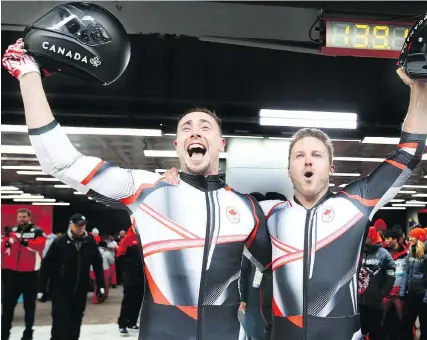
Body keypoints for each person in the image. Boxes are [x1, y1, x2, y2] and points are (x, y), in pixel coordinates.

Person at [1, 39, 271, 340]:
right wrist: (28, 76)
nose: (195, 131)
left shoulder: (247, 208)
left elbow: (279, 268)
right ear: (178, 145)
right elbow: (60, 162)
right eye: (186, 128)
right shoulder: (146, 190)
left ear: (221, 145)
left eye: (205, 127)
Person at [163, 68, 427, 339]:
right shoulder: (263, 214)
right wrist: (176, 183)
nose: (309, 160)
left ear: (331, 168)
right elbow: (204, 208)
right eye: (300, 155)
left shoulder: (356, 204)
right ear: (289, 169)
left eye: (317, 155)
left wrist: (420, 87)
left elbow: (408, 154)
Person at [37, 214, 106, 340]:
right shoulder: (60, 242)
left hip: (80, 289)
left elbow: (97, 263)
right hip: (60, 290)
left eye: (83, 225)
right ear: (70, 225)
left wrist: (101, 285)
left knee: (75, 322)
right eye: (78, 225)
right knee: (60, 323)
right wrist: (42, 288)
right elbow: (46, 265)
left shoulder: (89, 241)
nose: (81, 227)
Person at [1, 208, 46, 340]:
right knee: (8, 305)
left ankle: (28, 332)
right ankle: (4, 333)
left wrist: (24, 242)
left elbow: (40, 245)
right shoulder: (12, 231)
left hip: (30, 274)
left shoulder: (36, 231)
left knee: (29, 306)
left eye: (24, 217)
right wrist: (7, 243)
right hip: (12, 273)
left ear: (29, 217)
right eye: (19, 217)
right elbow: (3, 247)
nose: (21, 219)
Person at [399, 227, 427, 340]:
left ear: (419, 238)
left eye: (412, 237)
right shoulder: (410, 255)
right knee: (405, 325)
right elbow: (405, 274)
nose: (409, 238)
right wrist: (402, 292)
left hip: (424, 296)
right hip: (410, 295)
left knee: (426, 328)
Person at [358, 227, 396, 339]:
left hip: (375, 302)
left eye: (367, 237)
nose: (364, 239)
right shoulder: (359, 252)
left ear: (373, 237)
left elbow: (391, 276)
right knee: (360, 333)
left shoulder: (384, 254)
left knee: (376, 332)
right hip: (359, 302)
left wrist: (382, 293)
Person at [116, 225, 144, 336]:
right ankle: (122, 324)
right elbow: (120, 257)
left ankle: (132, 322)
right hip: (131, 276)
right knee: (128, 300)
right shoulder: (127, 240)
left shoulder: (143, 239)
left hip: (141, 277)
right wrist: (133, 265)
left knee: (138, 300)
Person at [382, 227, 408, 340]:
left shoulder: (407, 254)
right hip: (386, 293)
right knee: (380, 320)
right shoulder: (383, 253)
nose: (385, 241)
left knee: (404, 320)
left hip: (400, 293)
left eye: (388, 238)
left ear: (396, 239)